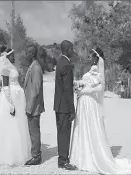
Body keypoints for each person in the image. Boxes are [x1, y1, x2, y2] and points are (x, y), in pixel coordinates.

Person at [69, 47, 131, 174]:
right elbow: (87, 82)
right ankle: (81, 155)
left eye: (90, 56)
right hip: (83, 102)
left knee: (90, 127)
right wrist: (78, 84)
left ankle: (90, 156)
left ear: (96, 58)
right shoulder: (90, 68)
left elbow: (101, 87)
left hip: (90, 102)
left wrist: (87, 91)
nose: (88, 58)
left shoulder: (97, 69)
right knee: (83, 127)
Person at [0, 48, 31, 166]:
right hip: (10, 98)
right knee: (9, 125)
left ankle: (18, 151)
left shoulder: (13, 67)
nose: (14, 57)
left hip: (18, 97)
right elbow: (5, 87)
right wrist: (11, 104)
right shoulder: (4, 69)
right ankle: (7, 155)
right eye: (12, 55)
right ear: (8, 57)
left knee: (18, 124)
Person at [53, 40, 77, 170]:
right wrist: (72, 110)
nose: (73, 51)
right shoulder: (67, 64)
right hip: (64, 106)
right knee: (64, 132)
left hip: (58, 104)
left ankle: (61, 158)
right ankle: (63, 161)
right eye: (72, 49)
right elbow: (68, 90)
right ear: (67, 50)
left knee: (60, 132)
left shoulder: (59, 61)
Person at [24, 44, 45, 166]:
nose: (26, 55)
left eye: (27, 52)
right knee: (33, 131)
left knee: (34, 131)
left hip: (34, 107)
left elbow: (35, 90)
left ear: (32, 53)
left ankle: (36, 156)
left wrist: (29, 107)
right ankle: (35, 153)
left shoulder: (36, 68)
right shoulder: (32, 66)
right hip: (32, 106)